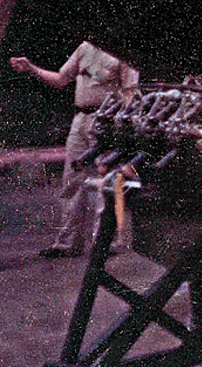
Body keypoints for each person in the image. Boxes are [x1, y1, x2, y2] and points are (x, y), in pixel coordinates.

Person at [10, 42, 139, 258]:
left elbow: (130, 93)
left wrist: (124, 126)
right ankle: (67, 242)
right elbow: (62, 79)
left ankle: (105, 242)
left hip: (107, 119)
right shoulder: (85, 48)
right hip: (80, 120)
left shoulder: (123, 51)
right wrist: (31, 67)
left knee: (106, 183)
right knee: (72, 181)